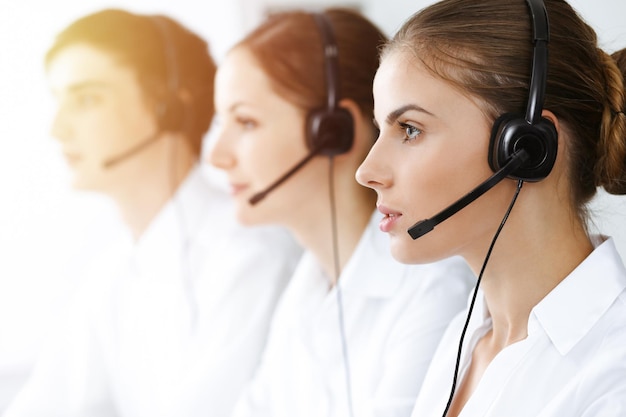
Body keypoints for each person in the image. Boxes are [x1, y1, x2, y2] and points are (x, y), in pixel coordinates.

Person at [4, 9, 301, 417]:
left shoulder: (252, 254)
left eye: (86, 99)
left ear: (168, 108)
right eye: (59, 101)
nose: (58, 129)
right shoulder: (113, 273)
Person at [355, 0, 626, 416]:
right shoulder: (470, 335)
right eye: (381, 130)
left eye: (410, 129)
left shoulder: (612, 375)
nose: (367, 171)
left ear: (527, 148)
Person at [208, 8, 475, 417]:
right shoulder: (306, 291)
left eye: (245, 122)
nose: (217, 155)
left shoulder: (435, 293)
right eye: (220, 121)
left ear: (333, 132)